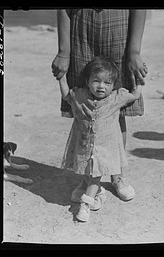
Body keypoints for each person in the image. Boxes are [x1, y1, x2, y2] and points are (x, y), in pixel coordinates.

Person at [51, 9, 148, 202]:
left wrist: (134, 51)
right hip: (80, 26)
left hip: (119, 23)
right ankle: (87, 179)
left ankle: (116, 174)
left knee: (114, 108)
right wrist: (63, 51)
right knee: (84, 107)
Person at [58, 56, 142, 222]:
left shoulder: (116, 97)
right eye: (96, 81)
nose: (101, 86)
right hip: (84, 144)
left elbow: (134, 95)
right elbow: (67, 94)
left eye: (107, 83)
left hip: (104, 149)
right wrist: (61, 76)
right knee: (86, 168)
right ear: (87, 81)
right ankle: (95, 191)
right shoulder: (80, 95)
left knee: (96, 174)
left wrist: (137, 77)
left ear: (113, 85)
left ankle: (86, 203)